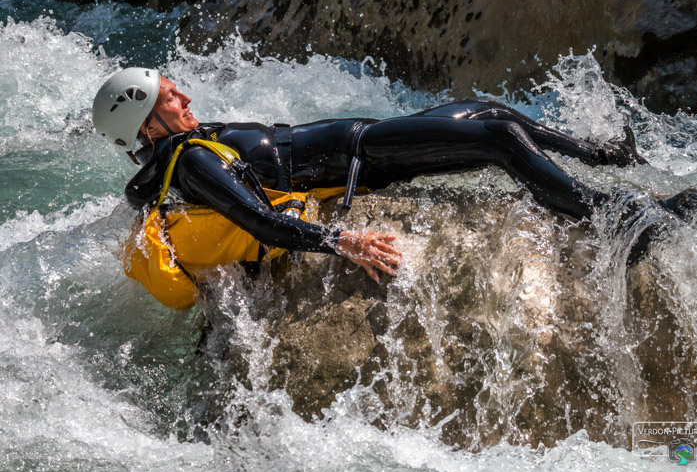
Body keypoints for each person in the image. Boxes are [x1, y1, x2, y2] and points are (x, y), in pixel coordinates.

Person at [93, 67, 663, 283]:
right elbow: (257, 219)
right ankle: (614, 219)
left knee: (491, 109)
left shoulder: (185, 149)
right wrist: (346, 241)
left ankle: (608, 155)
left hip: (367, 136)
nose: (186, 95)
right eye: (171, 97)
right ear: (146, 126)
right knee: (496, 137)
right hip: (367, 154)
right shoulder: (190, 161)